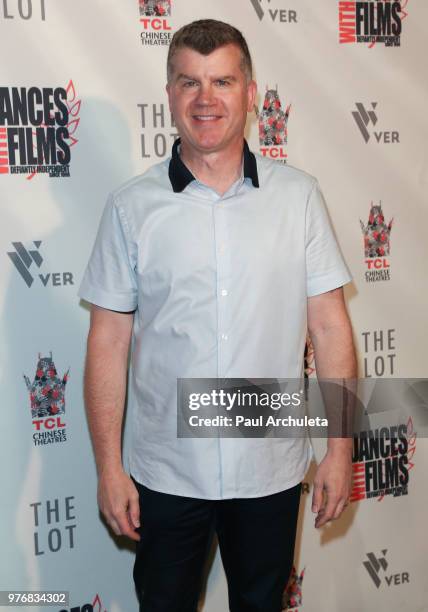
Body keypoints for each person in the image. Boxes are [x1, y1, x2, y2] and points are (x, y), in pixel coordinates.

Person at [78, 19, 357, 612]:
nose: (206, 99)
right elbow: (108, 342)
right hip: (165, 472)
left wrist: (338, 447)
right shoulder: (130, 208)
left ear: (250, 93)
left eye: (223, 81)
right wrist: (109, 467)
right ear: (170, 95)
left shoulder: (299, 198)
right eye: (190, 82)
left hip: (271, 467)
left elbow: (330, 327)